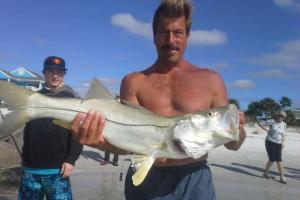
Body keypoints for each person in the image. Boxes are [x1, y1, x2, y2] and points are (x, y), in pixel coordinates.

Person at [70, 0, 246, 199]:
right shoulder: (134, 82)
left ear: (187, 36)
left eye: (178, 33)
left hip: (194, 180)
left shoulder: (211, 80)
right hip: (146, 178)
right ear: (154, 36)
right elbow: (126, 145)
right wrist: (98, 143)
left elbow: (233, 144)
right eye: (163, 32)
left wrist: (238, 131)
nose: (171, 40)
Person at [18, 56, 83, 200]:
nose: (55, 75)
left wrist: (71, 159)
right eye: (51, 71)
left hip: (58, 170)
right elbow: (27, 130)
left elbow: (78, 134)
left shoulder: (72, 98)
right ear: (44, 73)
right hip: (30, 168)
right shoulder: (34, 97)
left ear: (64, 74)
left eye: (59, 72)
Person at [258, 110, 287, 184]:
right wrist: (267, 130)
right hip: (270, 142)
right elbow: (260, 123)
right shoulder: (272, 121)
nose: (280, 117)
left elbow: (283, 135)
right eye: (279, 115)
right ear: (277, 115)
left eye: (282, 116)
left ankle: (282, 177)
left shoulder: (284, 124)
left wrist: (283, 143)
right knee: (272, 159)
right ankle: (266, 173)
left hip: (278, 144)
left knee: (279, 160)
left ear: (284, 118)